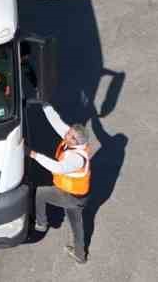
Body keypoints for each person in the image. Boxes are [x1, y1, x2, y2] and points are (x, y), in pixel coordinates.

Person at [30, 104, 98, 264]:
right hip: (77, 195)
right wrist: (44, 103)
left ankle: (41, 223)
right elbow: (56, 121)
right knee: (76, 224)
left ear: (78, 142)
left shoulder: (76, 158)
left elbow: (57, 167)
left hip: (72, 196)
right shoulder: (72, 140)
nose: (67, 135)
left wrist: (34, 155)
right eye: (69, 133)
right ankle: (80, 255)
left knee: (41, 193)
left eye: (71, 136)